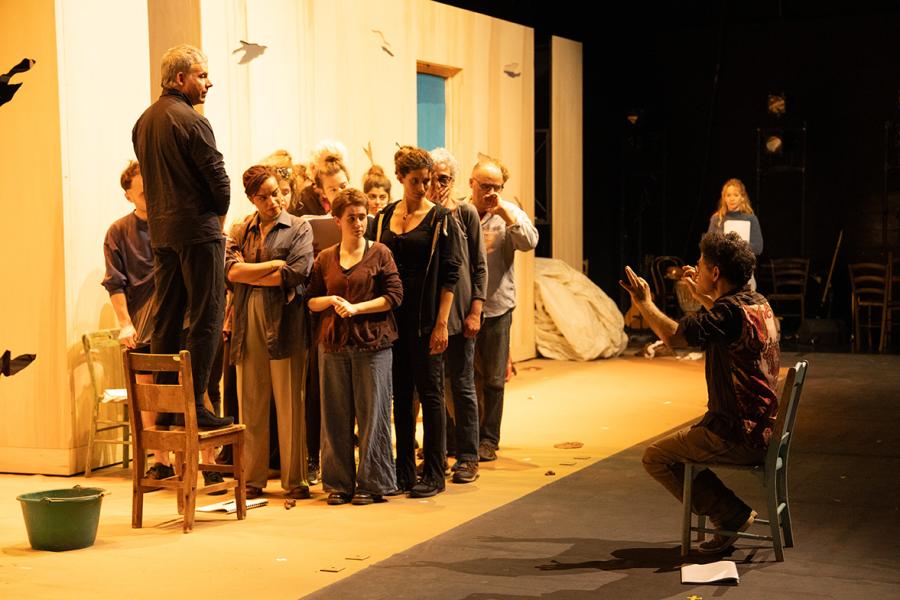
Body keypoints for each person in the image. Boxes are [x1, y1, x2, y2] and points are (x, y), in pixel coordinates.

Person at [620, 232, 780, 554]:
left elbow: (676, 337)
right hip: (763, 428)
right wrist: (705, 295)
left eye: (701, 265)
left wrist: (644, 303)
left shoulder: (728, 313)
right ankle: (729, 512)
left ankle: (730, 514)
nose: (695, 268)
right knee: (678, 448)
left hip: (737, 434)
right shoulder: (757, 302)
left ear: (715, 272)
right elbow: (724, 323)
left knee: (657, 457)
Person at [131, 43, 232, 429]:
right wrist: (216, 215)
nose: (209, 83)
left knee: (167, 317)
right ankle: (195, 405)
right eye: (202, 75)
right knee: (207, 314)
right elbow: (219, 182)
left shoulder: (143, 122)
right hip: (197, 231)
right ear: (179, 78)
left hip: (162, 233)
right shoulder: (192, 121)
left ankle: (168, 405)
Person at [370, 145, 462, 497]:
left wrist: (441, 323)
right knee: (401, 395)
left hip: (425, 320)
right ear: (400, 178)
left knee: (431, 393)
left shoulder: (440, 218)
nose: (424, 188)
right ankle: (404, 471)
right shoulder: (383, 218)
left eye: (428, 181)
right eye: (416, 181)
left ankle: (435, 473)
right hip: (392, 319)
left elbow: (450, 275)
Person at [307, 188, 403, 505]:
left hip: (373, 344)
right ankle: (339, 483)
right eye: (352, 218)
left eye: (363, 217)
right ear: (337, 220)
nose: (359, 223)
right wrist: (331, 301)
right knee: (335, 416)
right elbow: (311, 300)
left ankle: (372, 483)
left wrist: (357, 308)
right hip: (334, 345)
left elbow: (394, 296)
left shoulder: (380, 253)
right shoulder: (325, 258)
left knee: (373, 415)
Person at [225, 166, 314, 500]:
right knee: (250, 400)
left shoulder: (299, 227)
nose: (273, 201)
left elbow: (296, 272)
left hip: (286, 321)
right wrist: (272, 266)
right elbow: (229, 272)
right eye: (264, 197)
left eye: (276, 193)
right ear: (252, 199)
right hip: (246, 319)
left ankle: (295, 480)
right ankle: (252, 478)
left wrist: (250, 273)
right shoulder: (240, 229)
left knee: (290, 402)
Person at [102, 161, 172, 480]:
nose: (151, 197)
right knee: (148, 393)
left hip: (176, 318)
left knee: (184, 388)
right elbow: (115, 282)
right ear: (128, 195)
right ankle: (161, 460)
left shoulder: (171, 223)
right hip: (142, 321)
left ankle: (190, 458)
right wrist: (125, 323)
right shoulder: (119, 231)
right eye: (143, 193)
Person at [468, 155, 539, 462]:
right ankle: (466, 437)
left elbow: (529, 242)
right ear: (471, 184)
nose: (491, 193)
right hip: (463, 309)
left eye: (497, 187)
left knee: (494, 379)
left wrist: (506, 215)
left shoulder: (509, 213)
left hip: (497, 308)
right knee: (466, 378)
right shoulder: (460, 213)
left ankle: (488, 439)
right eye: (485, 186)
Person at [429, 147, 486, 484]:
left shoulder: (466, 214)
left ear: (453, 180)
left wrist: (476, 310)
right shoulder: (420, 215)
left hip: (461, 315)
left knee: (462, 386)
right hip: (429, 317)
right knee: (432, 390)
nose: (437, 185)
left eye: (443, 178)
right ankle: (437, 455)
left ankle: (468, 457)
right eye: (431, 179)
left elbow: (479, 266)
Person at [707, 178, 763, 256]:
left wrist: (734, 246)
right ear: (724, 198)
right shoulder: (716, 218)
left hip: (743, 261)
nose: (732, 199)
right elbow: (709, 245)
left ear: (742, 198)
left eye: (736, 195)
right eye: (728, 195)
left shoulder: (751, 219)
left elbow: (758, 248)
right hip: (721, 261)